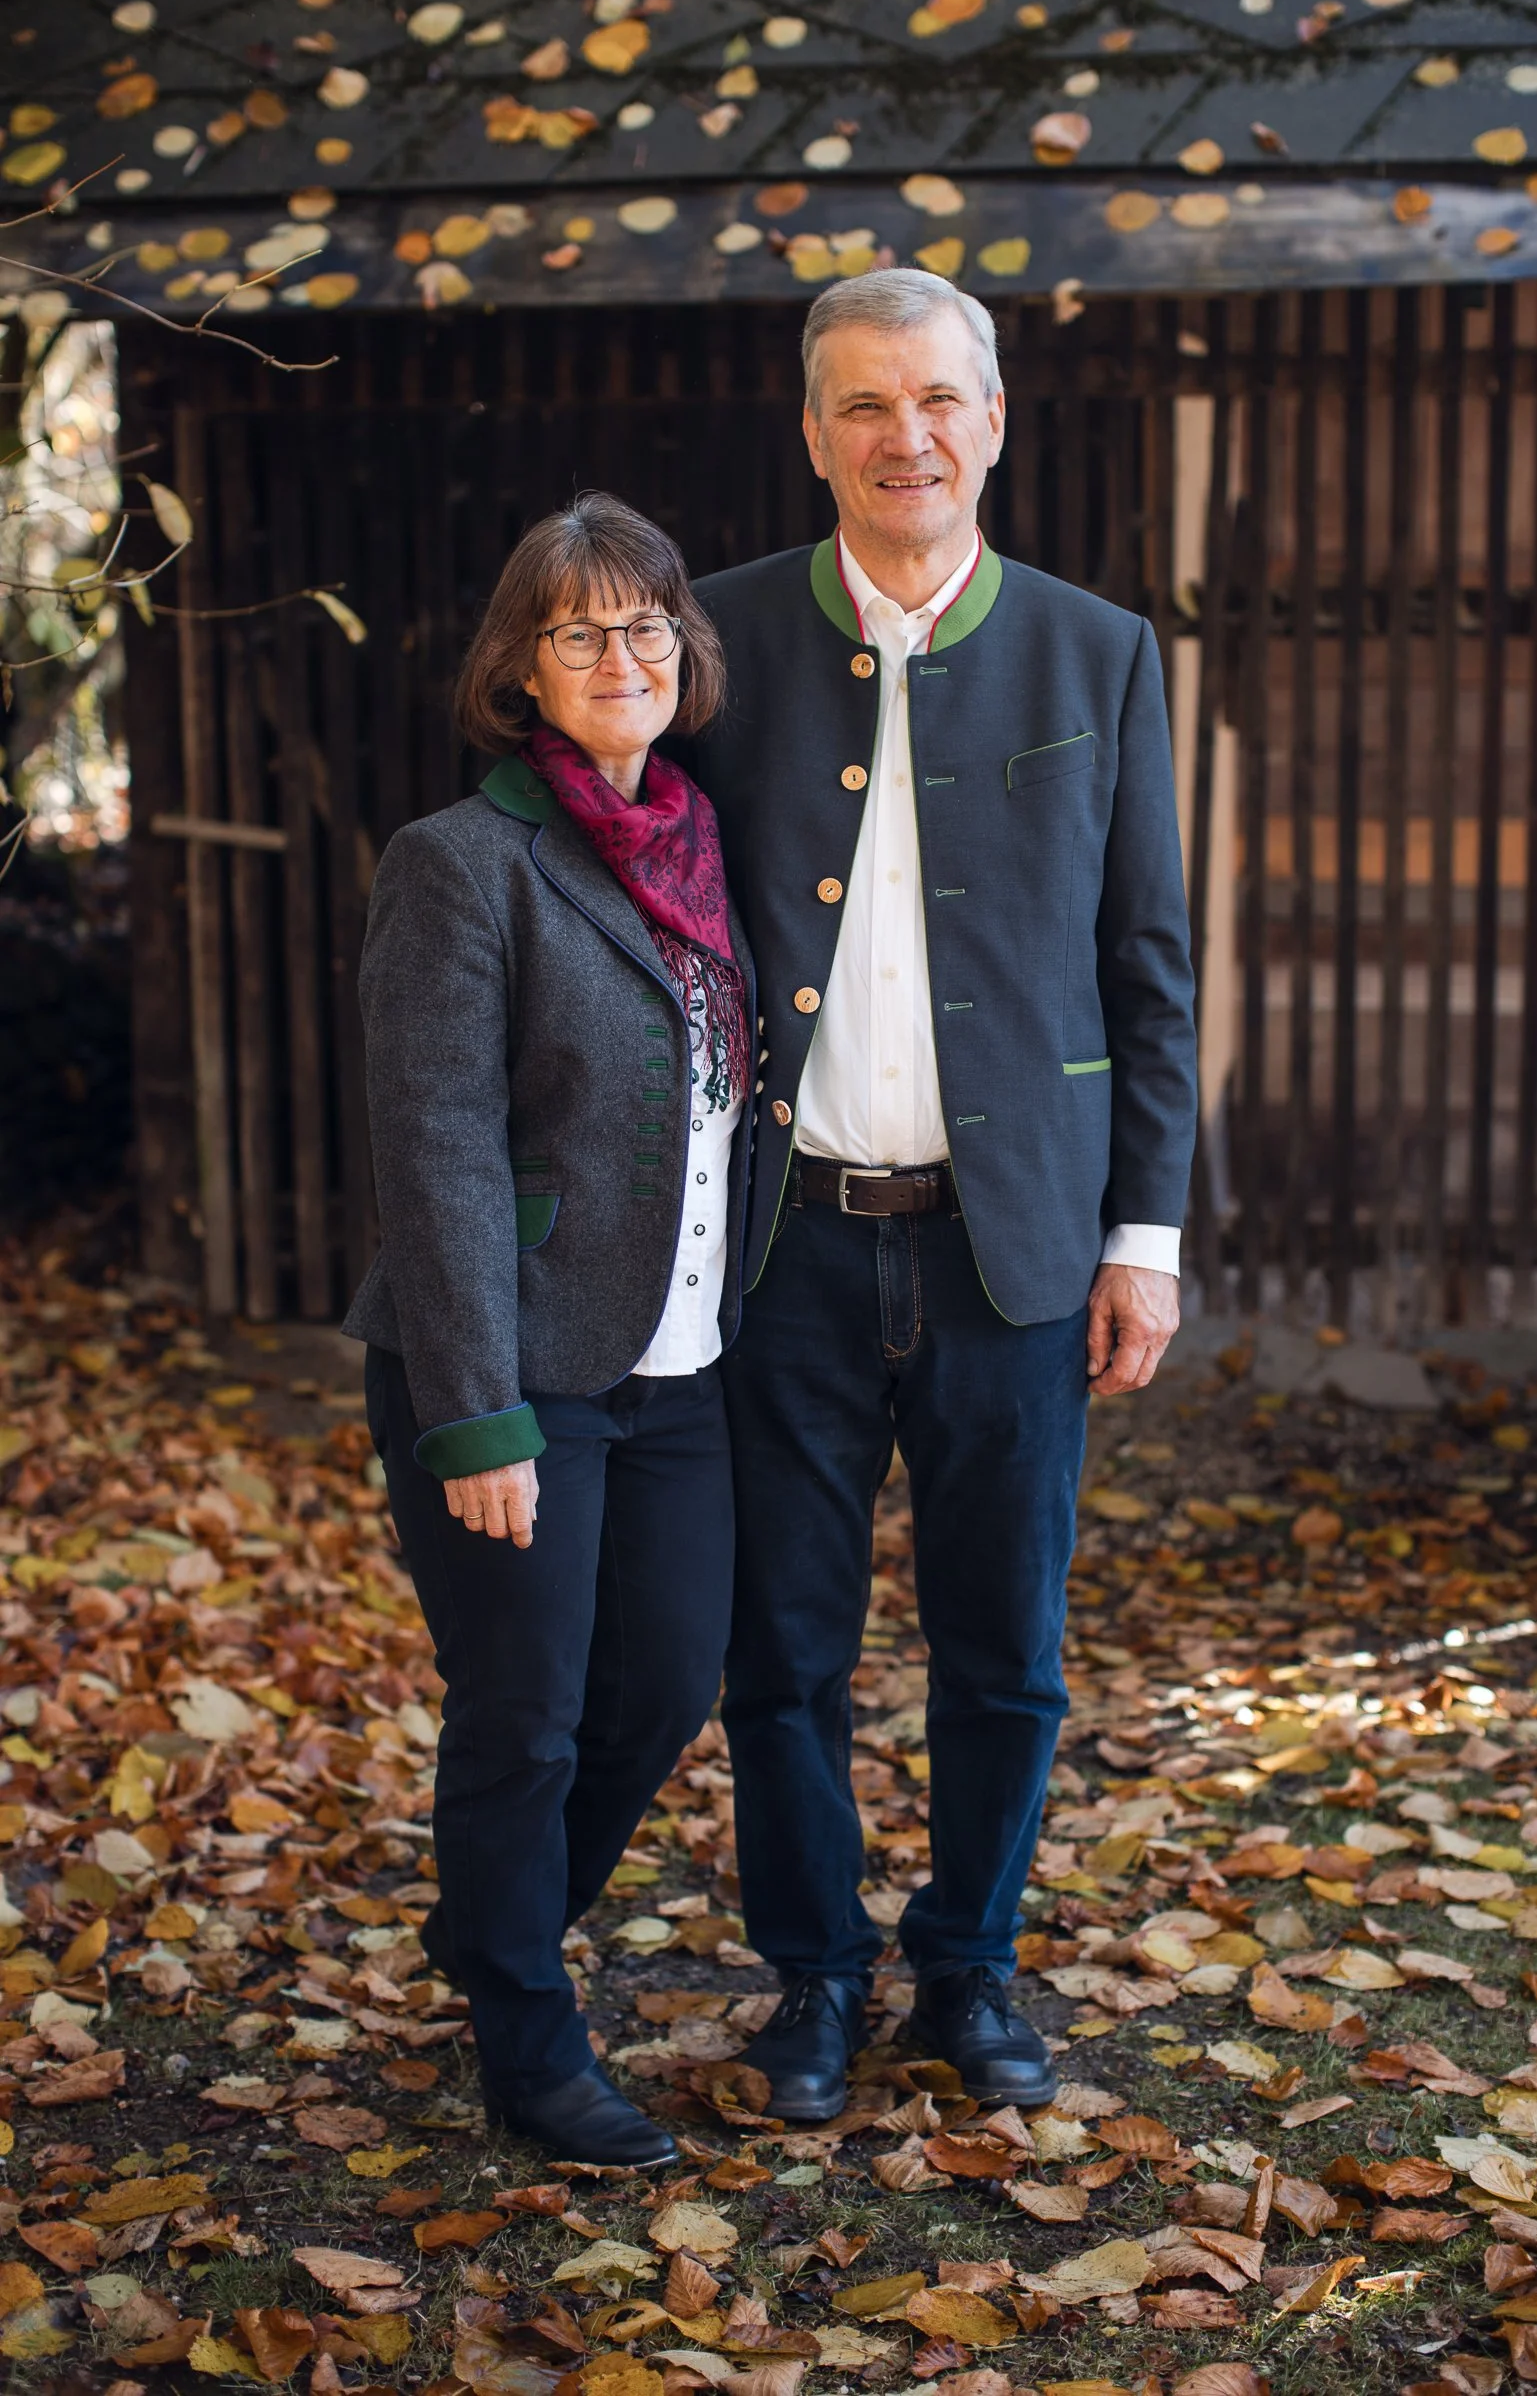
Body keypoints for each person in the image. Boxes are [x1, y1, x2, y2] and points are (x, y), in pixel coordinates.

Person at [686, 268, 1197, 2120]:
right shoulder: (717, 640)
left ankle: (970, 1974)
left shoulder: (1096, 648)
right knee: (783, 1655)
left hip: (1018, 1257)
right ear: (811, 430)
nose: (904, 436)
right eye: (861, 405)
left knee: (1006, 1655)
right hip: (784, 1250)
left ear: (992, 420)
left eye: (937, 401)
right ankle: (812, 1982)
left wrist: (1140, 1234)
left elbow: (1147, 964)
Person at [343, 492, 751, 2164]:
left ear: (683, 650)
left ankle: (487, 1926)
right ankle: (526, 2035)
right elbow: (432, 1144)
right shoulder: (462, 864)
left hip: (682, 1365)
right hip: (516, 1363)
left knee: (658, 1687)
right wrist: (478, 1410)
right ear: (520, 669)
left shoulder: (712, 849)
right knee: (523, 1711)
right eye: (579, 630)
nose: (620, 654)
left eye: (646, 623)